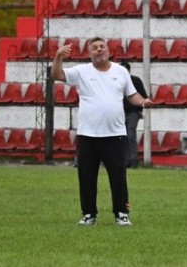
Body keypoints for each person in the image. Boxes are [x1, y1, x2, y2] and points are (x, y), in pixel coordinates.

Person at [51, 38, 153, 227]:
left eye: (102, 47)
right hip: (88, 134)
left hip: (115, 134)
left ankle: (122, 213)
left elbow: (132, 95)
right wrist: (58, 56)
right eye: (94, 48)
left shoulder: (121, 71)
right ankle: (89, 214)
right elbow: (56, 74)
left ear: (108, 50)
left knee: (118, 176)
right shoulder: (81, 71)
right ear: (89, 53)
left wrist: (142, 102)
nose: (99, 50)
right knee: (87, 176)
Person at [120, 61, 148, 168]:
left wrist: (139, 109)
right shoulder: (115, 81)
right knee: (122, 137)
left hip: (132, 113)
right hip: (119, 114)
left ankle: (133, 160)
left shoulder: (135, 81)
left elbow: (143, 95)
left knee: (131, 136)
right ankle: (125, 160)